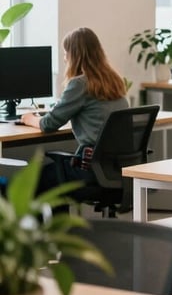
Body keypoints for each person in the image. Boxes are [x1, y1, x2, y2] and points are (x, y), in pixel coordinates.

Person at [19, 27, 128, 193]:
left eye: (65, 53)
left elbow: (48, 124)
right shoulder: (114, 80)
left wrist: (29, 118)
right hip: (113, 168)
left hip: (90, 168)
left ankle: (56, 220)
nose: (64, 58)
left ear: (75, 55)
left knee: (32, 181)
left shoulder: (79, 84)